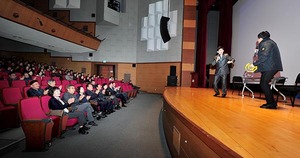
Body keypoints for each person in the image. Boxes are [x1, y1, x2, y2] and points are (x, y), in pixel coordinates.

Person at [252, 31, 283, 109]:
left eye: (258, 38)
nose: (258, 40)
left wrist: (254, 64)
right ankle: (271, 103)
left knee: (263, 83)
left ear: (261, 38)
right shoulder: (269, 42)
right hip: (270, 67)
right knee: (264, 83)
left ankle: (271, 104)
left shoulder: (266, 43)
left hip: (270, 67)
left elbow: (264, 56)